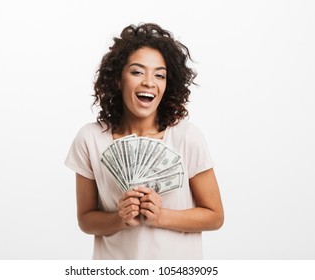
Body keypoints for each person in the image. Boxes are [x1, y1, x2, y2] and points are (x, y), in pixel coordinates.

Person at [64, 23, 224, 259]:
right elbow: (86, 220)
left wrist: (161, 216)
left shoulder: (186, 137)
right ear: (118, 79)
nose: (149, 82)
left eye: (159, 75)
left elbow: (215, 216)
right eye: (137, 72)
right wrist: (119, 219)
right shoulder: (90, 138)